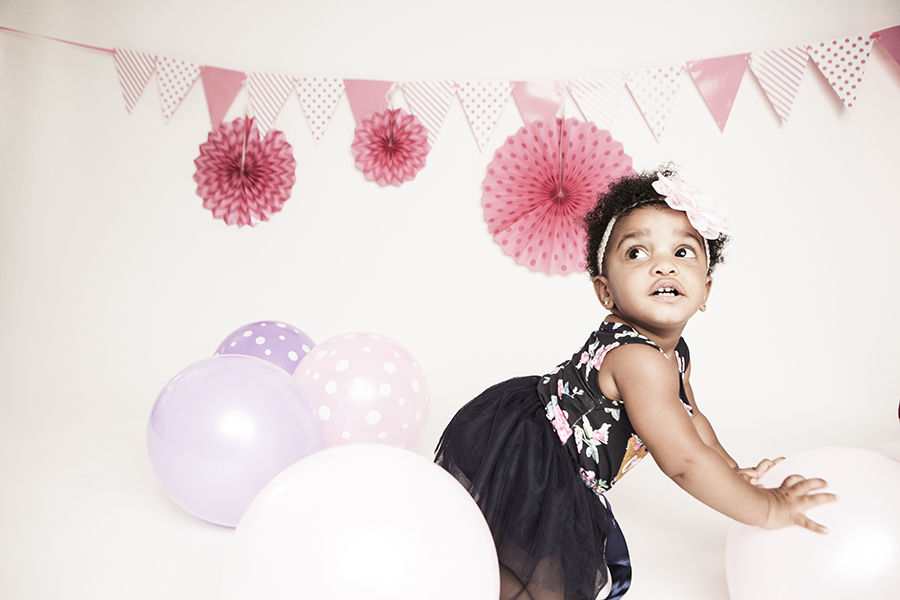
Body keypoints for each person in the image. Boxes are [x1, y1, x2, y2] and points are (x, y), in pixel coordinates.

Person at [434, 167, 837, 600]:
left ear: (706, 288)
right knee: (539, 582)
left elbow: (692, 422)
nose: (663, 264)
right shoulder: (637, 359)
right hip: (535, 460)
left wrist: (731, 472)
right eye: (637, 254)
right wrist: (767, 508)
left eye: (683, 252)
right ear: (605, 292)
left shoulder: (673, 354)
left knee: (519, 569)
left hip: (553, 457)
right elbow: (682, 461)